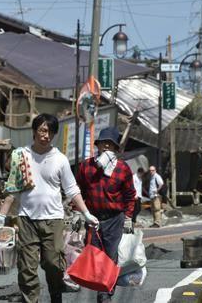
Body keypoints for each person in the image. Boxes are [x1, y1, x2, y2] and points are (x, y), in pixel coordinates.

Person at [0, 113, 99, 303]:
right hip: (26, 219)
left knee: (53, 262)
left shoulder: (60, 159)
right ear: (34, 131)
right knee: (27, 266)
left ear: (54, 135)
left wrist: (86, 213)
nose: (45, 135)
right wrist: (1, 215)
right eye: (42, 130)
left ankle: (56, 294)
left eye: (50, 131)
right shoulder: (21, 155)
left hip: (54, 219)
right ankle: (31, 300)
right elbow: (12, 189)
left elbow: (72, 189)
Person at [76, 126, 136, 303]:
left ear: (116, 149)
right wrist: (77, 213)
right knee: (95, 256)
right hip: (92, 218)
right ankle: (101, 290)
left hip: (114, 220)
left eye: (111, 145)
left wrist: (128, 218)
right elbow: (77, 191)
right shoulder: (86, 166)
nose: (107, 148)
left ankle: (105, 295)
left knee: (110, 258)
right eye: (104, 144)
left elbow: (130, 195)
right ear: (98, 146)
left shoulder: (122, 168)